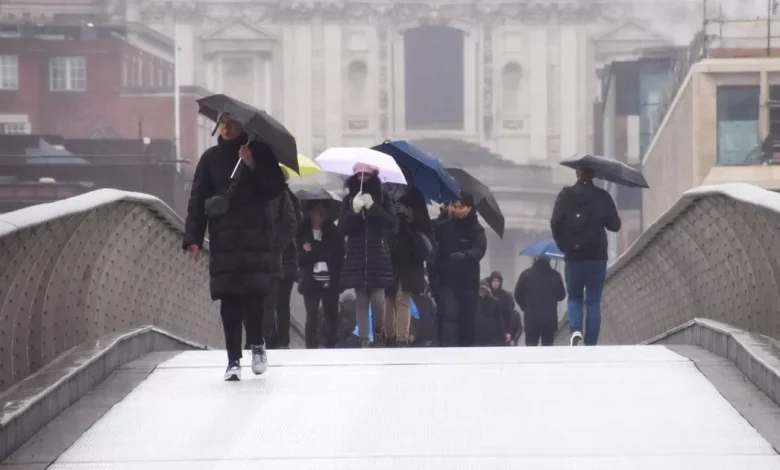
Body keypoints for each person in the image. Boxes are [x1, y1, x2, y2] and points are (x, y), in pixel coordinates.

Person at [183, 114, 286, 381]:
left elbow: (274, 189)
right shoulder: (210, 159)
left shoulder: (260, 153)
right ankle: (232, 360)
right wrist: (193, 237)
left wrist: (253, 164)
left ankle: (258, 345)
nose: (226, 128)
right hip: (224, 239)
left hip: (255, 238)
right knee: (228, 300)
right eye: (223, 123)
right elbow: (198, 199)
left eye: (232, 122)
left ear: (243, 126)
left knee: (254, 298)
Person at [550, 167, 621, 346]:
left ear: (577, 173)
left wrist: (564, 246)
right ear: (593, 174)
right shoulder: (602, 196)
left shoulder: (565, 195)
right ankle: (590, 342)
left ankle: (575, 331)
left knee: (574, 297)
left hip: (574, 256)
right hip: (597, 256)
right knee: (593, 300)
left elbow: (555, 223)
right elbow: (615, 225)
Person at [338, 164, 396, 347]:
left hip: (377, 255)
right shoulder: (348, 200)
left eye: (366, 175)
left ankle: (379, 331)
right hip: (356, 256)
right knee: (361, 301)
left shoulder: (383, 198)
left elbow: (391, 223)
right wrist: (353, 211)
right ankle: (364, 339)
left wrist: (373, 207)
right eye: (359, 175)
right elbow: (342, 228)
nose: (362, 178)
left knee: (379, 301)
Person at [430, 192, 487, 347]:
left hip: (468, 281)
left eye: (461, 207)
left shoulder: (477, 229)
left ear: (469, 208)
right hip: (448, 280)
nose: (457, 210)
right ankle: (448, 348)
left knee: (467, 318)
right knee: (449, 315)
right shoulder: (445, 226)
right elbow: (434, 242)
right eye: (455, 206)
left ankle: (465, 349)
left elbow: (480, 249)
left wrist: (466, 256)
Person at [384, 187, 432, 347]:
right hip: (389, 250)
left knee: (402, 297)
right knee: (388, 297)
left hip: (409, 253)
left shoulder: (414, 196)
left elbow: (426, 225)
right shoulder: (382, 195)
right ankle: (388, 335)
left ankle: (401, 338)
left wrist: (410, 214)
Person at [260, 174, 301, 350]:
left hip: (282, 258)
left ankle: (272, 340)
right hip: (284, 257)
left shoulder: (284, 196)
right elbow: (295, 223)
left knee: (274, 301)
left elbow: (292, 225)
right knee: (279, 302)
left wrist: (276, 248)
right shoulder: (291, 198)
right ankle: (278, 339)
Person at [297, 200, 344, 348]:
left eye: (324, 210)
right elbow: (299, 258)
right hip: (310, 281)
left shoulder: (333, 231)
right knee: (312, 314)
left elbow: (338, 254)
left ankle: (331, 345)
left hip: (330, 280)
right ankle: (310, 346)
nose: (321, 214)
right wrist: (313, 252)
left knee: (331, 315)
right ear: (310, 213)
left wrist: (314, 249)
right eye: (317, 210)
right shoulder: (302, 232)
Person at [514, 256, 566, 346]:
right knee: (548, 351)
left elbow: (517, 294)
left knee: (531, 350)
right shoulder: (555, 275)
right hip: (549, 319)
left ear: (535, 259)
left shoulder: (526, 274)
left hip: (531, 319)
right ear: (549, 259)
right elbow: (562, 295)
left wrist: (525, 307)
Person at [483, 271, 516, 345]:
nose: (496, 283)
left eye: (498, 281)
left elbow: (509, 315)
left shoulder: (505, 296)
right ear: (490, 281)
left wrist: (508, 332)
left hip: (501, 331)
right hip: (487, 331)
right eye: (494, 280)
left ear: (500, 282)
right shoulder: (486, 294)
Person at [475, 281, 507, 346]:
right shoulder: (475, 302)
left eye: (484, 289)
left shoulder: (495, 302)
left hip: (491, 337)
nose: (482, 292)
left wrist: (502, 341)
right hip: (478, 336)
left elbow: (500, 322)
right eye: (481, 289)